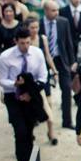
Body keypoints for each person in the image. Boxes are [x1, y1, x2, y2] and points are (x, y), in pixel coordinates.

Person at [0, 27, 47, 161]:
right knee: (20, 132)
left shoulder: (37, 54)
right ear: (16, 42)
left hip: (31, 96)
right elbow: (1, 80)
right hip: (13, 97)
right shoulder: (5, 57)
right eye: (22, 43)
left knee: (29, 131)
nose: (25, 46)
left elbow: (43, 76)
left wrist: (31, 93)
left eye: (27, 42)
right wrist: (15, 84)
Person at [42, 0, 76, 130]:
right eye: (53, 10)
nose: (57, 13)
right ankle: (42, 117)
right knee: (43, 90)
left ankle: (67, 121)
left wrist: (72, 61)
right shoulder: (39, 24)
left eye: (57, 10)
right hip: (44, 60)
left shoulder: (63, 22)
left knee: (67, 89)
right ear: (46, 11)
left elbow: (68, 42)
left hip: (61, 59)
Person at [25, 16, 57, 145]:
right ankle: (30, 133)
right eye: (32, 27)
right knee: (31, 107)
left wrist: (54, 70)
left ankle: (51, 132)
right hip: (30, 79)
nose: (34, 30)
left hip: (43, 76)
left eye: (36, 27)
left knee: (49, 104)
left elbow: (47, 56)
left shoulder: (42, 38)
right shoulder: (25, 41)